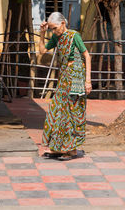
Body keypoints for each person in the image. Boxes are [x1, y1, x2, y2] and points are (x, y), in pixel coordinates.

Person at [39, 12, 92, 160]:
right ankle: (58, 148)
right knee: (58, 109)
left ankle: (72, 150)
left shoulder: (74, 36)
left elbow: (87, 56)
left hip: (76, 78)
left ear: (63, 23)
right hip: (64, 78)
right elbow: (42, 51)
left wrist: (88, 81)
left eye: (54, 28)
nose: (53, 31)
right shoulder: (57, 37)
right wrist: (42, 34)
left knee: (72, 111)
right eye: (51, 29)